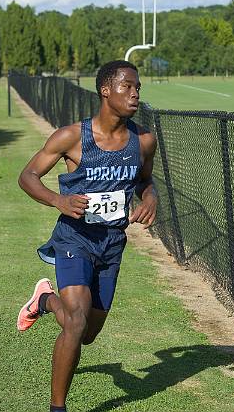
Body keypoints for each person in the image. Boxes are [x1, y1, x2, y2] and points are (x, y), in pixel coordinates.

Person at [17, 60, 158, 412]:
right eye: (127, 86)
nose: (135, 93)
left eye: (138, 87)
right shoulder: (72, 137)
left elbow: (145, 180)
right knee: (76, 322)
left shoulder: (144, 140)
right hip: (74, 239)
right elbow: (28, 176)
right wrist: (58, 200)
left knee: (88, 333)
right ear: (105, 90)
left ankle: (45, 301)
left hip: (112, 243)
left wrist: (151, 199)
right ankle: (57, 408)